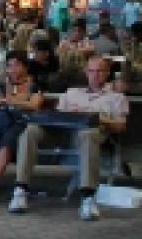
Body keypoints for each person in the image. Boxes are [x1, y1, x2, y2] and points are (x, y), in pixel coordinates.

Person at [9, 57, 128, 221]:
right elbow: (56, 117)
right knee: (30, 130)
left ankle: (88, 197)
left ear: (107, 73)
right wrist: (71, 112)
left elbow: (120, 126)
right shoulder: (71, 93)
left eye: (100, 71)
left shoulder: (117, 97)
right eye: (92, 71)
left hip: (89, 134)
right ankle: (20, 189)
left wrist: (96, 118)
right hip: (62, 133)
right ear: (86, 73)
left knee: (87, 134)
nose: (95, 75)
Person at [0, 52, 43, 202]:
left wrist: (7, 100)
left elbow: (34, 105)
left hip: (18, 122)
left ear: (25, 67)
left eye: (17, 65)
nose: (13, 69)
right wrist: (10, 100)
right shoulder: (1, 85)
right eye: (9, 65)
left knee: (7, 142)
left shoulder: (34, 85)